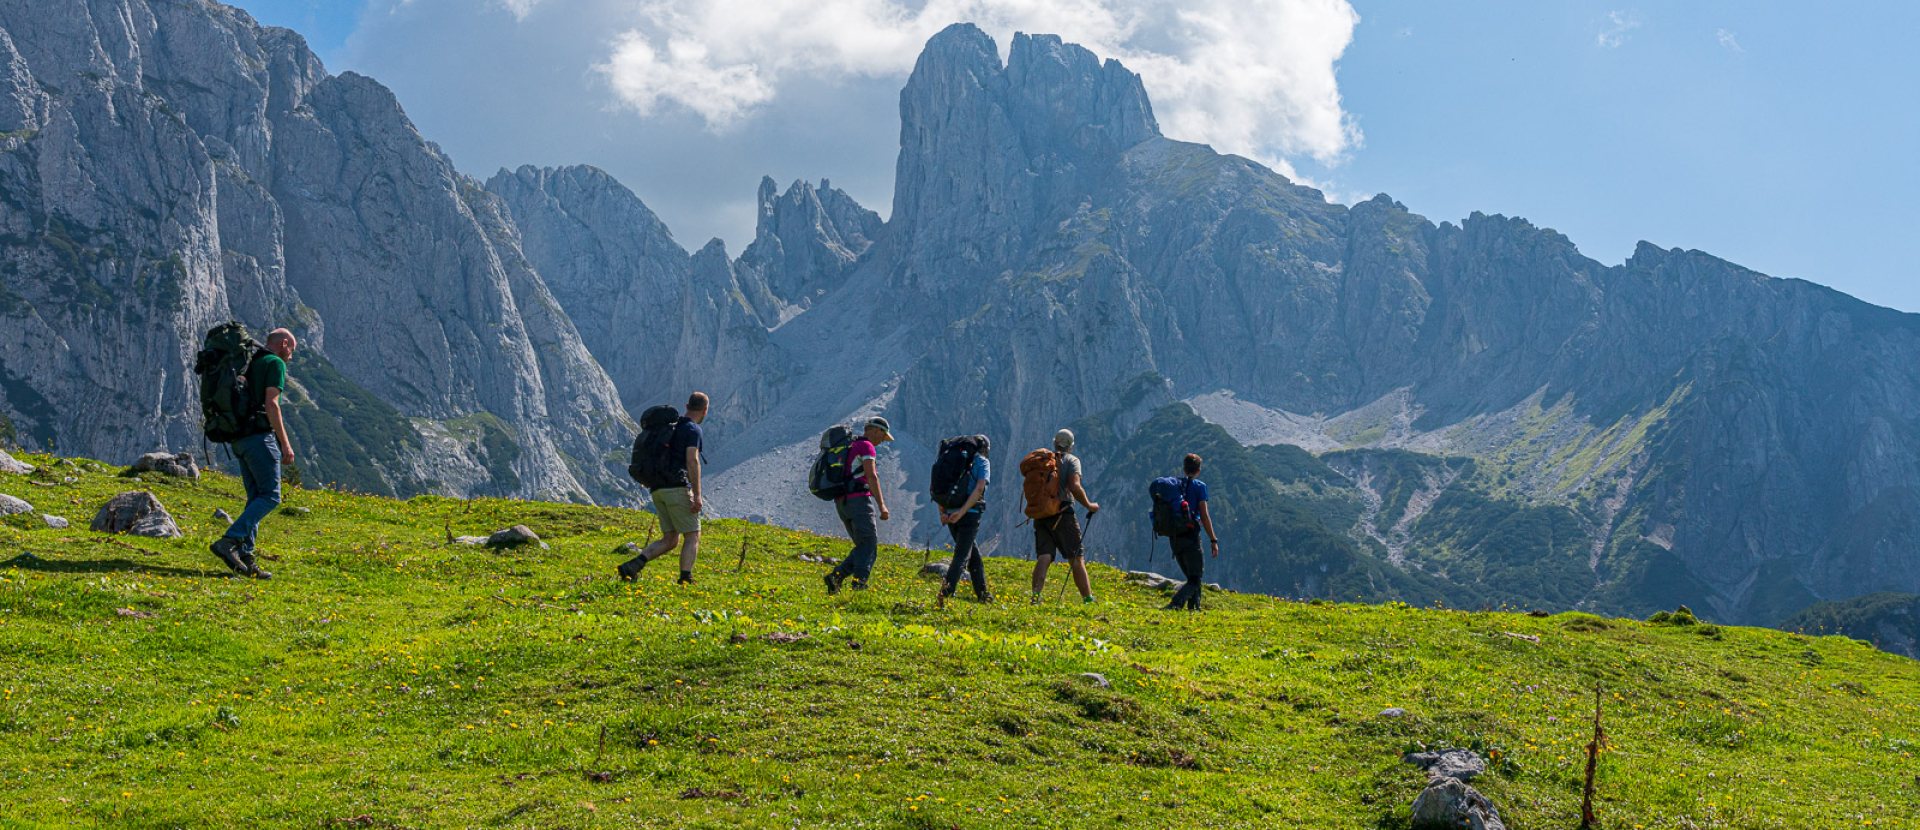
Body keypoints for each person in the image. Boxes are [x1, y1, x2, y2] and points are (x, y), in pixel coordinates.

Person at [210, 327, 298, 580]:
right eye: (291, 348)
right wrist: (285, 444)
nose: (291, 354)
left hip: (240, 438)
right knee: (271, 496)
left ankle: (246, 557)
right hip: (259, 437)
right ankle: (230, 541)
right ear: (283, 343)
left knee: (255, 498)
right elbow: (272, 404)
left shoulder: (253, 362)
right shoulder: (275, 363)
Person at [618, 392, 709, 585]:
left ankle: (633, 565)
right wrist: (697, 494)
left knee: (670, 539)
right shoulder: (693, 430)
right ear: (705, 410)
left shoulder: (670, 428)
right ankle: (686, 578)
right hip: (676, 487)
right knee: (692, 534)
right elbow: (692, 461)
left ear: (686, 405)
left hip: (658, 489)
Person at [1030, 428, 1100, 604]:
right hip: (1063, 514)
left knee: (1044, 556)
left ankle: (1035, 596)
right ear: (1071, 446)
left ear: (1055, 442)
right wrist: (1089, 505)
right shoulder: (1071, 460)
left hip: (1041, 513)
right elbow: (1075, 486)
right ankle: (1088, 599)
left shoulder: (1044, 461)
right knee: (1076, 557)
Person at [824, 417, 893, 594]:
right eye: (882, 436)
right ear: (875, 430)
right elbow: (871, 476)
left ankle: (836, 578)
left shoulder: (850, 446)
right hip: (858, 501)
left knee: (863, 546)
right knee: (869, 544)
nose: (881, 441)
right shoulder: (866, 446)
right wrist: (882, 506)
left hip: (842, 503)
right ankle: (858, 585)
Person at [937, 435, 992, 606]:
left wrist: (943, 511)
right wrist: (962, 512)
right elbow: (979, 488)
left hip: (950, 512)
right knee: (962, 555)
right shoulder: (981, 462)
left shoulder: (952, 459)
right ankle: (946, 592)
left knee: (972, 554)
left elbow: (939, 486)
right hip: (969, 513)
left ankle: (983, 594)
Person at [1164, 453, 1218, 611]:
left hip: (1174, 537)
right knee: (1195, 578)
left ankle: (1194, 608)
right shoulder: (1199, 487)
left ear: (1184, 468)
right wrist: (1213, 539)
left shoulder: (1175, 485)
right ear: (1198, 470)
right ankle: (1175, 604)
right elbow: (1204, 516)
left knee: (1192, 576)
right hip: (1190, 536)